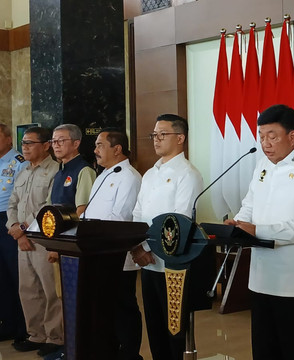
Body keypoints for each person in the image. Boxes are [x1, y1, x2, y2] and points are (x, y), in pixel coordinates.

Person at [224, 104, 294, 360]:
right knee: (263, 345)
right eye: (261, 136)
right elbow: (249, 204)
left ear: (292, 136)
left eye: (272, 135)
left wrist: (257, 230)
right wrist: (238, 224)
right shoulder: (263, 165)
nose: (265, 143)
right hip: (262, 272)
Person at [131, 114, 203, 360]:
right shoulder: (151, 173)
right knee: (154, 325)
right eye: (154, 134)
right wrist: (139, 248)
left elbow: (180, 221)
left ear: (180, 138)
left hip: (173, 266)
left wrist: (153, 248)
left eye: (163, 134)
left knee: (174, 328)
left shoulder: (188, 174)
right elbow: (138, 213)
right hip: (148, 260)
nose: (156, 139)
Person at [82, 128, 142, 360]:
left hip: (118, 255)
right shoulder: (103, 175)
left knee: (123, 307)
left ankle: (129, 355)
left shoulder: (129, 177)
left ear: (117, 149)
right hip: (96, 253)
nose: (95, 150)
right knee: (104, 309)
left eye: (100, 145)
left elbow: (121, 218)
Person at [6, 127, 63, 357]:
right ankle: (36, 334)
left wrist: (22, 230)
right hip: (22, 240)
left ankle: (55, 336)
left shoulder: (56, 171)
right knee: (28, 290)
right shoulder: (23, 172)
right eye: (23, 143)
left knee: (50, 290)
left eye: (30, 143)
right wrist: (13, 227)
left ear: (47, 145)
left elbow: (48, 207)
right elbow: (12, 202)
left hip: (42, 240)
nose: (25, 147)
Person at [45, 123, 96, 360]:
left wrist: (61, 245)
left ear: (76, 143)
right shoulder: (59, 171)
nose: (56, 145)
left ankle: (78, 348)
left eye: (61, 140)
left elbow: (82, 212)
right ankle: (69, 346)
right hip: (58, 245)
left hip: (72, 248)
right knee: (62, 297)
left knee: (75, 299)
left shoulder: (83, 171)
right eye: (54, 141)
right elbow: (49, 210)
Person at [0, 124, 29, 344]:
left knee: (16, 275)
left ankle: (24, 327)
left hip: (10, 222)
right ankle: (7, 324)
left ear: (9, 139)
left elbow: (20, 198)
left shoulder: (19, 162)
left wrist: (17, 225)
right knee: (2, 278)